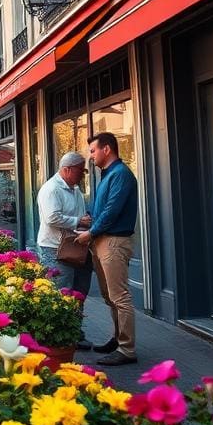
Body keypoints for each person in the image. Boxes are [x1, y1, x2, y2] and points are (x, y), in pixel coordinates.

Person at [76, 132, 139, 367]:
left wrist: (91, 232)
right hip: (102, 240)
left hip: (114, 241)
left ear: (107, 149)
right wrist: (88, 219)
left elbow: (112, 211)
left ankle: (127, 349)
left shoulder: (121, 174)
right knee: (108, 296)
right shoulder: (108, 174)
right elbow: (101, 208)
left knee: (119, 297)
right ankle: (118, 338)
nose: (91, 156)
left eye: (93, 151)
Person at [36, 152, 94, 351]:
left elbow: (78, 214)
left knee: (78, 291)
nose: (83, 175)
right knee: (60, 291)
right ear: (67, 169)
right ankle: (57, 336)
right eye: (80, 171)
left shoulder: (75, 189)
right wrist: (78, 221)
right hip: (55, 249)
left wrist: (84, 220)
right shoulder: (51, 189)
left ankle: (74, 332)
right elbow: (52, 218)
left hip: (76, 246)